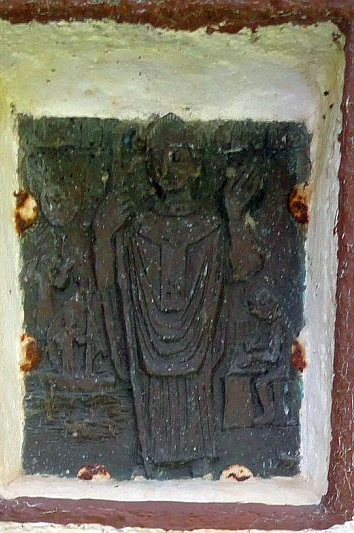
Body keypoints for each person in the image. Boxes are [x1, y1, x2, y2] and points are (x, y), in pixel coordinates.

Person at [93, 113, 262, 477]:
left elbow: (244, 267)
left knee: (194, 386)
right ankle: (151, 458)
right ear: (151, 169)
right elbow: (109, 284)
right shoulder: (137, 227)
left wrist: (235, 217)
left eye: (178, 156)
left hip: (199, 345)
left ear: (197, 164)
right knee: (153, 385)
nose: (168, 167)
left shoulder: (212, 227)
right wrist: (103, 236)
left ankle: (199, 459)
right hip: (148, 345)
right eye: (159, 158)